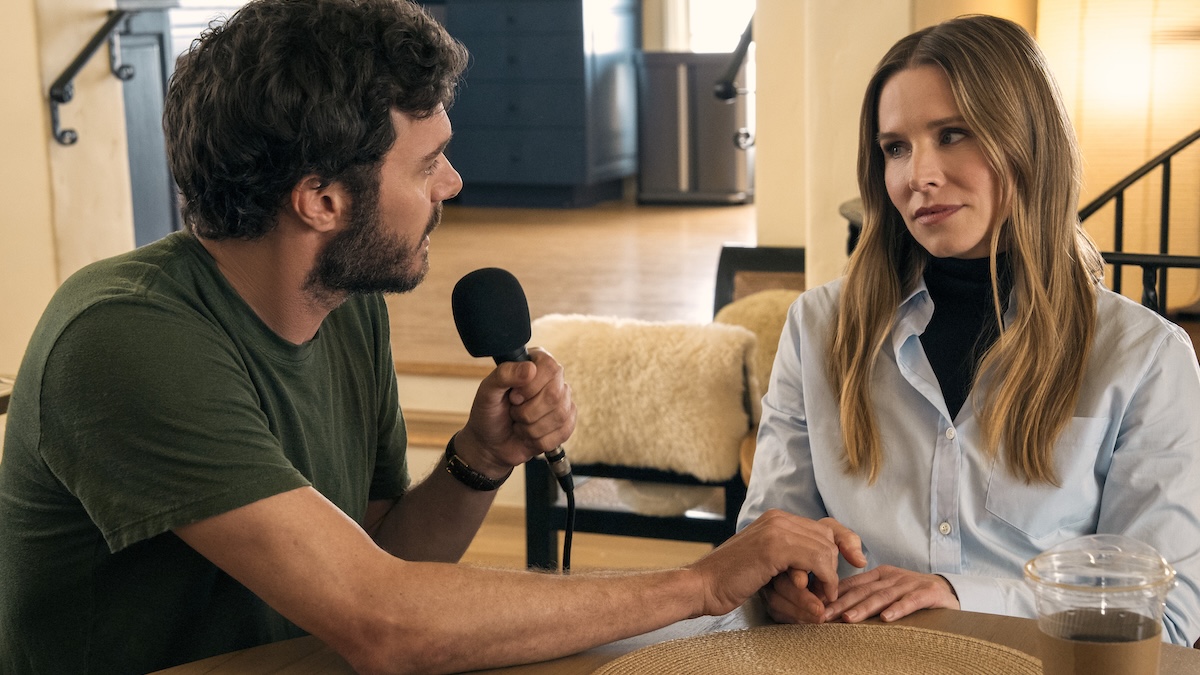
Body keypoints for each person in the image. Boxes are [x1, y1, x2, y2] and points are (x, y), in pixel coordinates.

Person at [0, 1, 866, 673]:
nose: (453, 182)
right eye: (426, 164)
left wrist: (478, 460)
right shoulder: (122, 339)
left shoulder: (346, 303)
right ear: (322, 201)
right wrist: (702, 581)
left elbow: (385, 555)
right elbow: (384, 620)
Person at [737, 14, 1200, 647]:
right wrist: (778, 580)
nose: (917, 176)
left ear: (1028, 142)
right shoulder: (817, 327)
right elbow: (763, 539)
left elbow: (1163, 618)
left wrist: (961, 598)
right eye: (895, 148)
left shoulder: (1146, 358)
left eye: (952, 135)